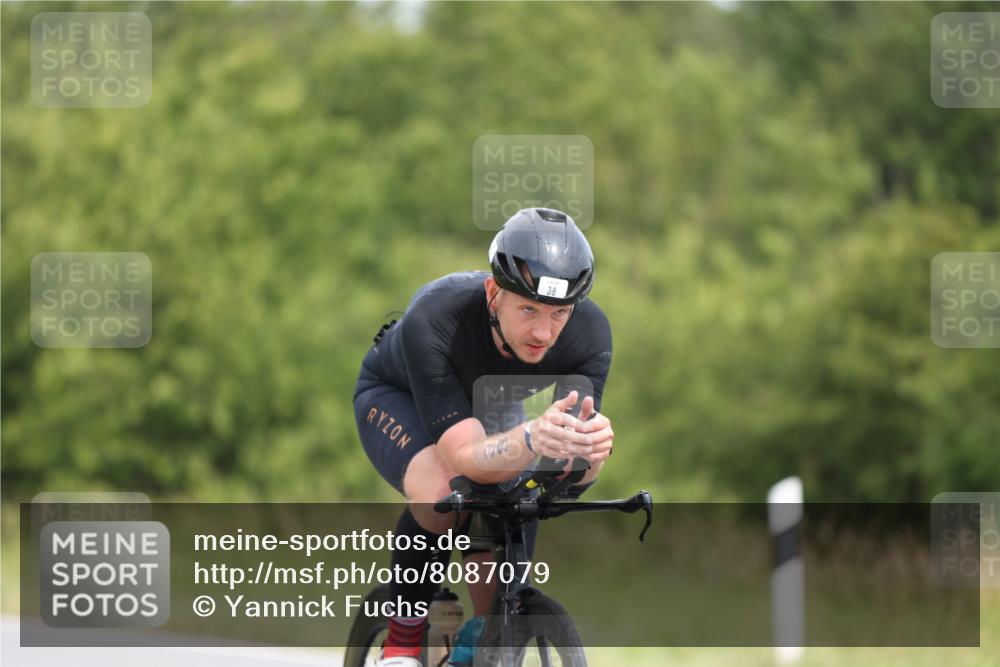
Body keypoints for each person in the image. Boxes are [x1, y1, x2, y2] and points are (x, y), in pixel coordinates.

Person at [353, 207, 615, 667]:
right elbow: (467, 457)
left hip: (491, 406)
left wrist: (591, 453)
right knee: (444, 491)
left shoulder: (589, 335)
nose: (542, 331)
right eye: (528, 308)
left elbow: (565, 470)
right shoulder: (437, 315)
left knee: (516, 493)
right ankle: (402, 639)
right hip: (400, 395)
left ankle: (483, 637)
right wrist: (533, 435)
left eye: (559, 314)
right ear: (494, 293)